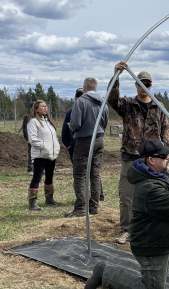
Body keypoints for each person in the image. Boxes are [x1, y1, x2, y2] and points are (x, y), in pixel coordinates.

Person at [84, 139, 169, 289]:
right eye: (164, 156)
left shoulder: (159, 175)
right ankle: (105, 272)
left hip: (164, 230)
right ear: (151, 160)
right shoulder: (149, 187)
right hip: (151, 243)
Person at [108, 61, 169, 244]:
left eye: (147, 84)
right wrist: (116, 76)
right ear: (136, 85)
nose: (144, 86)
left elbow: (165, 130)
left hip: (152, 159)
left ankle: (154, 226)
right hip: (131, 156)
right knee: (126, 194)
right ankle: (126, 229)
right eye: (141, 83)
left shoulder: (159, 106)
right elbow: (112, 100)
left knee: (157, 192)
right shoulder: (128, 104)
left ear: (151, 85)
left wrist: (165, 154)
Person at [65, 78, 109, 217]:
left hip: (84, 140)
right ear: (95, 88)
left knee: (80, 174)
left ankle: (80, 208)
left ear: (84, 88)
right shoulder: (103, 102)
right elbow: (105, 122)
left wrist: (72, 128)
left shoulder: (80, 101)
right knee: (94, 173)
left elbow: (75, 123)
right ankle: (94, 205)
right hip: (99, 139)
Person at [27, 100, 61, 210]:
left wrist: (56, 147)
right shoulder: (33, 122)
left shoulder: (48, 122)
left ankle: (49, 199)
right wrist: (44, 146)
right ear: (36, 109)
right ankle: (32, 203)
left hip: (51, 155)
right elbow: (33, 139)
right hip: (40, 155)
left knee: (49, 177)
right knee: (36, 177)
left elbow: (53, 137)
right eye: (42, 106)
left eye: (46, 106)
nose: (45, 108)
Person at [62, 88, 83, 163]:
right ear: (75, 97)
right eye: (78, 96)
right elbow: (64, 130)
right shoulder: (70, 113)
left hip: (86, 144)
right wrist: (68, 145)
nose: (79, 98)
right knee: (76, 168)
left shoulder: (89, 111)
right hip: (74, 146)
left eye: (82, 96)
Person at [21, 102, 34, 175]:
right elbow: (24, 129)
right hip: (31, 139)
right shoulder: (27, 117)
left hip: (39, 139)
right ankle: (30, 169)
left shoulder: (39, 117)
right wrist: (27, 139)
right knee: (31, 154)